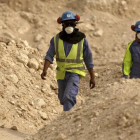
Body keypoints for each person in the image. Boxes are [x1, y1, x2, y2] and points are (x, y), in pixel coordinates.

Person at [41, 11, 95, 111]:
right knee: (62, 98)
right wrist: (45, 70)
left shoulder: (82, 39)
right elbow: (49, 55)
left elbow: (88, 58)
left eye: (71, 23)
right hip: (61, 74)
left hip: (75, 73)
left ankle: (67, 123)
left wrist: (92, 77)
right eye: (66, 23)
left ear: (75, 24)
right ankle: (72, 117)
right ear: (62, 24)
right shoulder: (56, 39)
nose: (69, 26)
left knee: (68, 97)